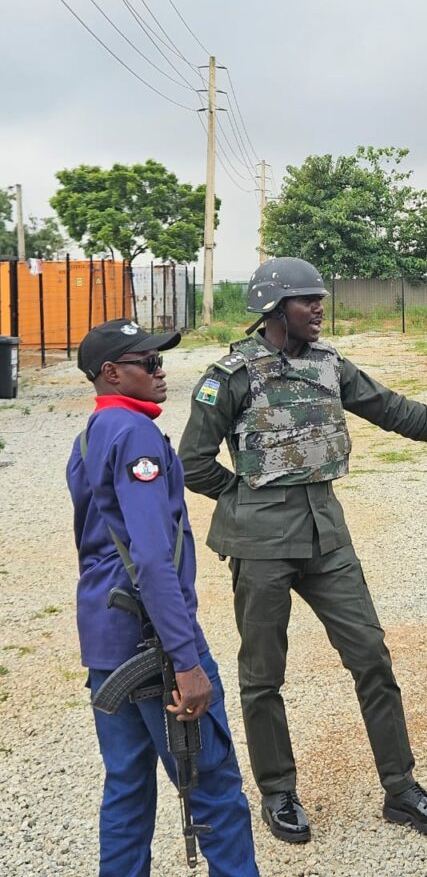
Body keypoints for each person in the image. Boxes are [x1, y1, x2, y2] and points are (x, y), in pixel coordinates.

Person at [178, 257, 427, 844]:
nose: (319, 308)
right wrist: (243, 500)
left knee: (372, 658)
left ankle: (401, 788)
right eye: (306, 301)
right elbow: (193, 461)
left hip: (326, 535)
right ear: (273, 309)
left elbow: (396, 411)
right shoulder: (231, 374)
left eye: (320, 298)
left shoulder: (329, 365)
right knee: (263, 675)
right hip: (261, 546)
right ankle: (278, 791)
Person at [66, 319, 260, 877]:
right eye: (146, 362)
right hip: (151, 641)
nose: (160, 371)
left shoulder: (91, 434)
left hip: (108, 641)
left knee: (126, 786)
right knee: (214, 785)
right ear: (110, 372)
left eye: (159, 360)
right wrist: (186, 659)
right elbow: (152, 559)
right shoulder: (136, 436)